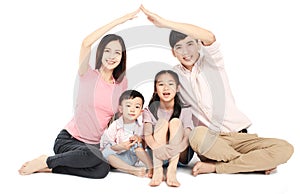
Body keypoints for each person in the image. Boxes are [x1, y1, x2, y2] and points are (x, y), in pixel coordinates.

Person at [141, 5, 294, 176]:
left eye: (190, 44)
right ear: (173, 52)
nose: (186, 52)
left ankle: (218, 167)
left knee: (285, 148)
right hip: (209, 142)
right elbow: (160, 100)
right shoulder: (174, 77)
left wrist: (166, 23)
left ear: (199, 45)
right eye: (179, 47)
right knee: (197, 135)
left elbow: (210, 37)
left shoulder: (212, 63)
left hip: (240, 136)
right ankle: (252, 164)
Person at [18, 8, 140, 179]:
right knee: (92, 156)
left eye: (117, 52)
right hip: (69, 140)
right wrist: (120, 21)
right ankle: (47, 161)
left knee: (102, 170)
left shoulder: (122, 84)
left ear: (122, 57)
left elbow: (122, 115)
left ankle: (50, 167)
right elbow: (85, 43)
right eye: (107, 50)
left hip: (94, 146)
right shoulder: (87, 74)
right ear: (100, 53)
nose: (112, 56)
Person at [143, 70, 194, 187]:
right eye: (161, 84)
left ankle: (172, 170)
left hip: (180, 154)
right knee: (162, 122)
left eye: (170, 84)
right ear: (155, 89)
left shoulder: (185, 109)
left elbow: (187, 134)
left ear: (177, 88)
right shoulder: (149, 110)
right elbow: (147, 135)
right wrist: (158, 148)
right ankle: (158, 170)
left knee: (175, 122)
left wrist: (177, 148)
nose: (166, 88)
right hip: (158, 154)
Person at [100, 89, 153, 177]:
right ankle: (133, 170)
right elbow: (105, 144)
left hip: (132, 156)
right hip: (117, 158)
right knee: (107, 155)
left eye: (137, 107)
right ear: (121, 109)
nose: (132, 110)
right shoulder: (116, 125)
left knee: (137, 146)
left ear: (141, 112)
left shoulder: (141, 126)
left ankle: (151, 167)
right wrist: (120, 146)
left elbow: (145, 144)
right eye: (128, 106)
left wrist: (139, 139)